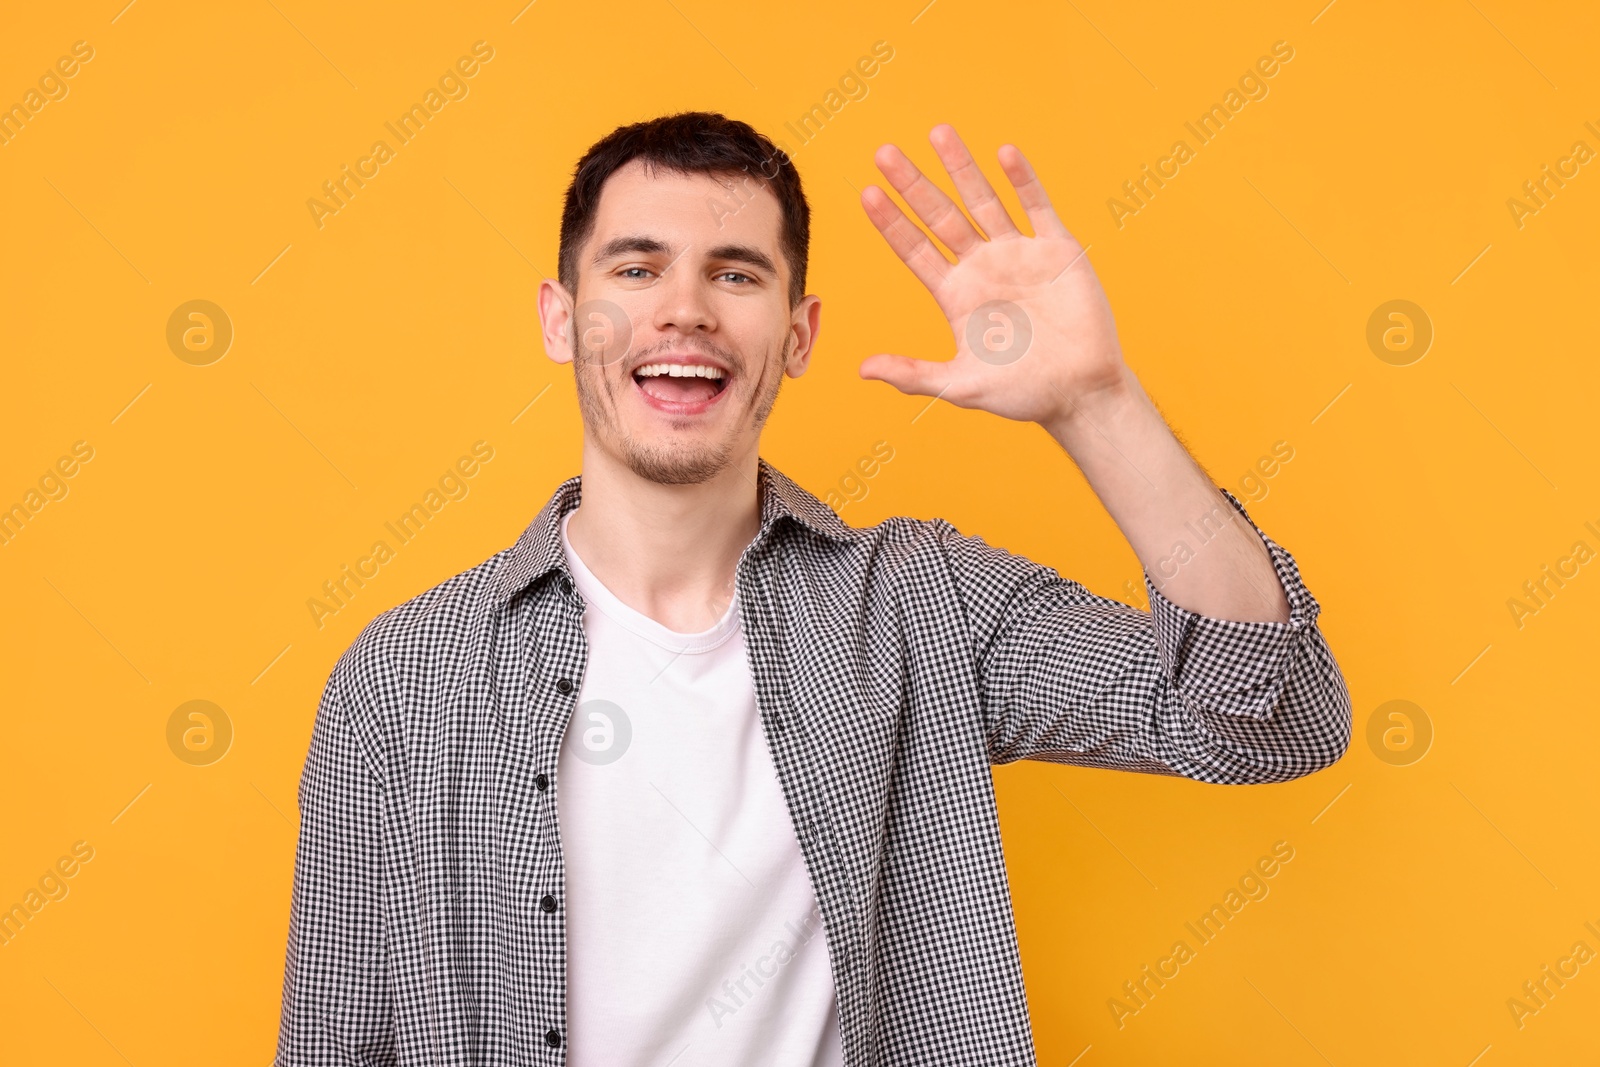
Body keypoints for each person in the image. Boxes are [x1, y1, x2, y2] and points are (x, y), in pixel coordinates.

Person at [275, 111, 1351, 1067]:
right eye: (637, 269)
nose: (685, 309)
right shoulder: (403, 677)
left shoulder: (921, 602)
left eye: (736, 273)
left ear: (796, 335)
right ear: (563, 319)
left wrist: (1096, 403)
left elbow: (1265, 716)